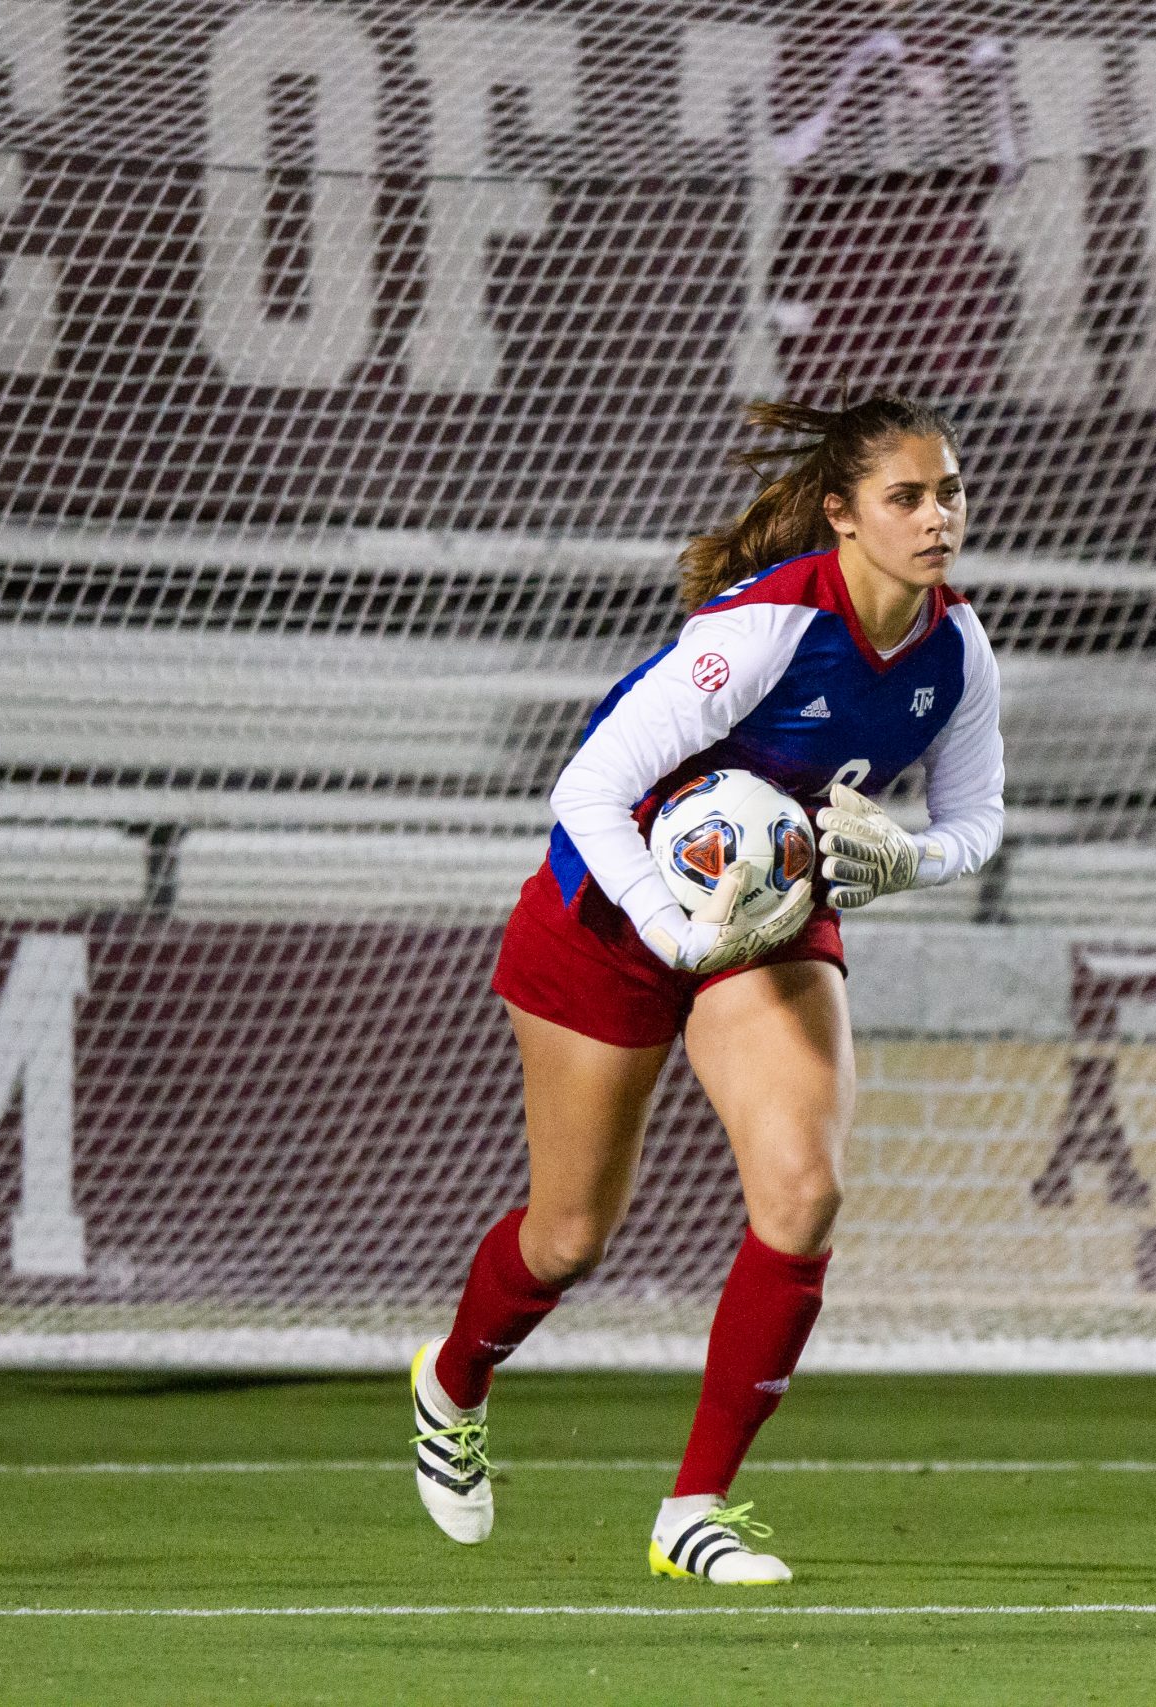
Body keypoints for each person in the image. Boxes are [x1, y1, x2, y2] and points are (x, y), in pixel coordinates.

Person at [410, 394, 1005, 1585]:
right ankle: (452, 1381)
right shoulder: (767, 631)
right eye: (907, 497)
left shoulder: (956, 647)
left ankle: (695, 1510)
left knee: (805, 1192)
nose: (937, 518)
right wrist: (671, 927)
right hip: (609, 911)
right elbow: (585, 787)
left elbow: (976, 818)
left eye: (947, 494)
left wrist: (911, 860)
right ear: (841, 516)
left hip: (772, 922)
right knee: (570, 1237)